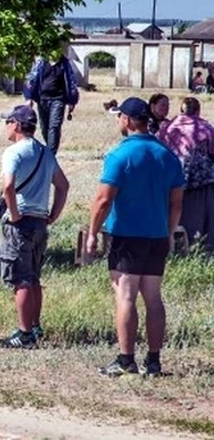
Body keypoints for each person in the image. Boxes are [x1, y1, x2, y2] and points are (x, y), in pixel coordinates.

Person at [87, 97, 184, 377]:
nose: (119, 121)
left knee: (126, 296)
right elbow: (177, 202)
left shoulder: (120, 156)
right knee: (153, 298)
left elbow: (103, 200)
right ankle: (153, 362)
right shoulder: (167, 155)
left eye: (120, 117)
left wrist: (92, 232)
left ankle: (126, 358)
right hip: (156, 236)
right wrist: (168, 232)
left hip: (127, 236)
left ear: (128, 120)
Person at [0, 105, 69, 349]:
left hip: (20, 222)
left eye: (8, 122)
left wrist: (14, 214)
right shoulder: (45, 152)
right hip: (39, 220)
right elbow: (63, 185)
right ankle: (35, 326)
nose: (6, 126)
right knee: (35, 276)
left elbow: (8, 186)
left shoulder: (13, 152)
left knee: (21, 279)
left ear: (16, 124)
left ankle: (24, 333)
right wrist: (53, 215)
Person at [158, 97, 214, 254]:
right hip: (200, 182)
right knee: (199, 216)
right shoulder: (206, 128)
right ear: (198, 110)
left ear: (181, 110)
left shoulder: (167, 128)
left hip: (171, 180)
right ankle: (200, 248)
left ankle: (173, 247)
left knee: (174, 212)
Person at [22, 47, 79, 154]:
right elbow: (32, 79)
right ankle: (49, 149)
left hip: (58, 100)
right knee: (44, 127)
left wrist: (72, 100)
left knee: (54, 126)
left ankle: (51, 154)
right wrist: (29, 97)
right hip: (42, 99)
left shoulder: (65, 64)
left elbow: (71, 82)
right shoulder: (41, 63)